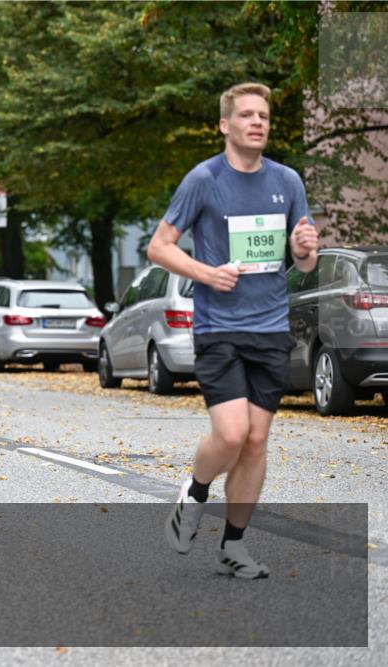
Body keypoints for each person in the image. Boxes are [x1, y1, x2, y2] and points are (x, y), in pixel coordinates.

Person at [148, 82, 318, 580]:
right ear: (226, 124)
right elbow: (160, 246)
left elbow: (305, 264)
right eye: (246, 115)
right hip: (219, 327)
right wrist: (206, 273)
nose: (257, 122)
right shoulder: (204, 179)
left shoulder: (288, 181)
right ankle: (195, 493)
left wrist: (305, 247)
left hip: (269, 328)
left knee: (257, 441)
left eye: (263, 115)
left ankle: (234, 546)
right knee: (232, 432)